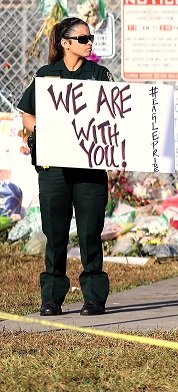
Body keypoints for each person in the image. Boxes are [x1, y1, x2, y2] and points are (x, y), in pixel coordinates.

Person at [18, 17, 113, 316]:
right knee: (55, 234)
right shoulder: (46, 76)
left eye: (91, 39)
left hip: (89, 168)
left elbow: (113, 116)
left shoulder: (98, 74)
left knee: (89, 233)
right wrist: (43, 133)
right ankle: (52, 297)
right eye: (83, 39)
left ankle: (94, 297)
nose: (89, 44)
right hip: (54, 168)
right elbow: (28, 116)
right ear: (65, 43)